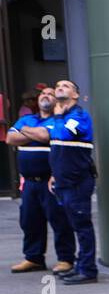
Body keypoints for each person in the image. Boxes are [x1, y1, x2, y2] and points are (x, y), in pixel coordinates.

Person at [7, 84, 74, 275]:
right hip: (29, 182)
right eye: (43, 94)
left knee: (60, 221)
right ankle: (33, 258)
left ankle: (65, 259)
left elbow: (46, 136)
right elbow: (11, 139)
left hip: (51, 181)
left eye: (50, 94)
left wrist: (25, 132)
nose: (45, 96)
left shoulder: (59, 121)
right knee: (29, 221)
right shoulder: (27, 119)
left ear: (57, 100)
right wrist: (35, 133)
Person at [47, 80, 97, 285]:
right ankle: (80, 266)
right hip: (64, 181)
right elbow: (58, 148)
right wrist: (54, 174)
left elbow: (63, 134)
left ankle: (88, 270)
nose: (60, 87)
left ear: (76, 95)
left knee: (82, 226)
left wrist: (57, 117)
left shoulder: (79, 116)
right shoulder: (63, 117)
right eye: (58, 85)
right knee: (74, 225)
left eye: (66, 86)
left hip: (78, 181)